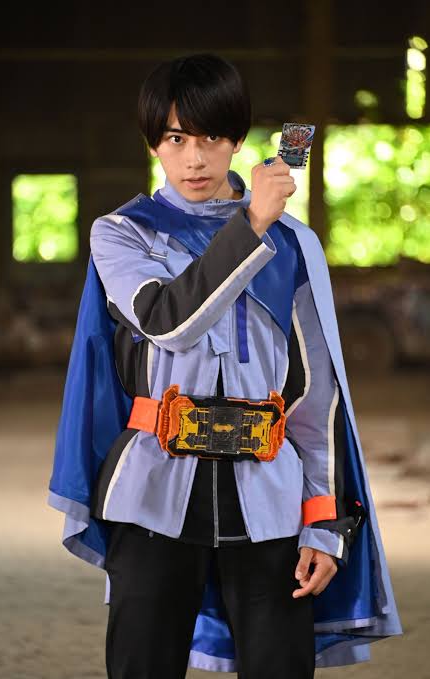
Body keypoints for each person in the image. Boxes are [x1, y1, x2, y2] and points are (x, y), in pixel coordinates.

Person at [48, 53, 402, 679]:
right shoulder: (123, 234)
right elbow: (166, 320)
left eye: (211, 138)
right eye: (175, 139)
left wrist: (323, 525)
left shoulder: (293, 245)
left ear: (238, 140)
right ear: (153, 144)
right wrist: (253, 223)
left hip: (271, 501)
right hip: (151, 494)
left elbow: (315, 398)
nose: (194, 159)